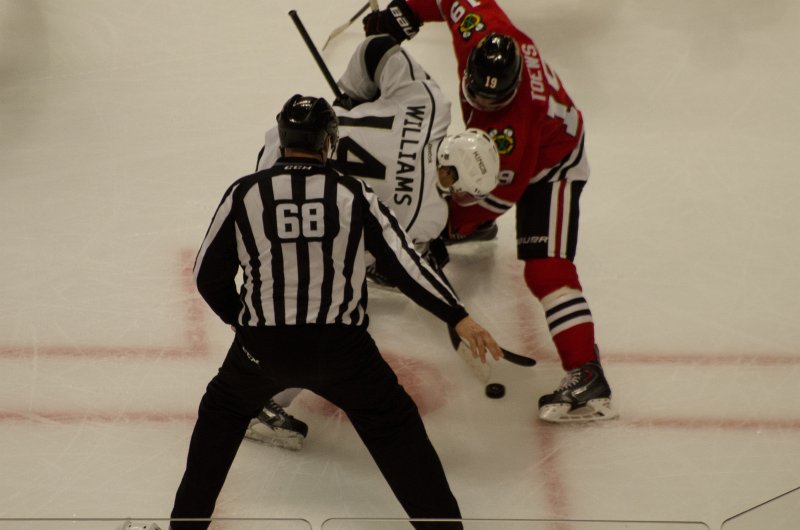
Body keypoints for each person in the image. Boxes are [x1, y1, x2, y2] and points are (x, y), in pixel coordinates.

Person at [170, 93, 503, 530]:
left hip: (261, 348)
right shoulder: (354, 193)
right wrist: (457, 314)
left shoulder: (245, 192)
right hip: (343, 352)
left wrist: (248, 326)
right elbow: (405, 265)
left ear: (285, 140)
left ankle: (183, 528)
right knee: (396, 430)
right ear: (329, 143)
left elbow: (207, 277)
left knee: (221, 416)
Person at [362, 0, 618, 423]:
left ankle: (587, 375)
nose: (480, 100)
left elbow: (495, 200)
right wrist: (404, 13)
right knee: (452, 166)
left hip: (553, 161)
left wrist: (437, 233)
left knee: (546, 269)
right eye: (475, 91)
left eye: (491, 99)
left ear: (512, 89)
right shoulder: (481, 29)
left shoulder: (513, 132)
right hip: (519, 152)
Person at [246, 34, 500, 449]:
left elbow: (377, 49)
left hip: (284, 142)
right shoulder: (429, 215)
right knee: (331, 312)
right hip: (285, 200)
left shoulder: (432, 105)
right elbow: (381, 257)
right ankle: (260, 401)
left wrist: (352, 97)